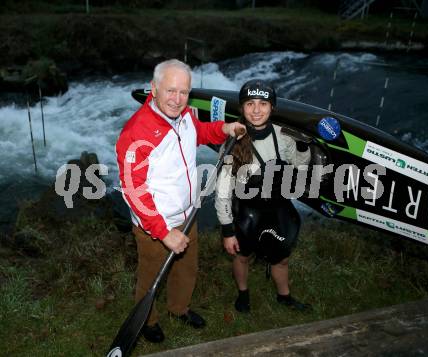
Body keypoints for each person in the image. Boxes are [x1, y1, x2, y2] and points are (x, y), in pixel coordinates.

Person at [115, 59, 245, 343]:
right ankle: (148, 321)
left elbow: (197, 133)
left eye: (183, 92)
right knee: (151, 276)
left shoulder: (184, 115)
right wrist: (163, 232)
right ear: (154, 88)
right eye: (170, 91)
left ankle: (179, 308)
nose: (177, 99)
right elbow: (133, 191)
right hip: (155, 225)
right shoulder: (136, 133)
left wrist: (222, 129)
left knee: (187, 268)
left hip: (188, 213)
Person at [215, 79, 312, 314]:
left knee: (281, 259)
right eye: (250, 104)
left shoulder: (285, 136)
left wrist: (302, 147)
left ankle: (284, 296)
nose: (256, 110)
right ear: (242, 108)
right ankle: (243, 293)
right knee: (242, 257)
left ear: (272, 108)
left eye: (263, 104)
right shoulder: (231, 143)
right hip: (247, 212)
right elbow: (223, 190)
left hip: (278, 208)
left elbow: (300, 168)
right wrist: (227, 229)